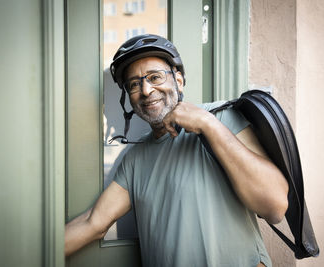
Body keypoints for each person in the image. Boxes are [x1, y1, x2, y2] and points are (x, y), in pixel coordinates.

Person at [65, 34, 289, 267]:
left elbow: (275, 207)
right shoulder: (135, 158)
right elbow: (93, 223)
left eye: (155, 77)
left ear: (179, 80)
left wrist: (208, 124)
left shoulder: (223, 117)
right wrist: (28, 253)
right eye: (134, 84)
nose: (146, 89)